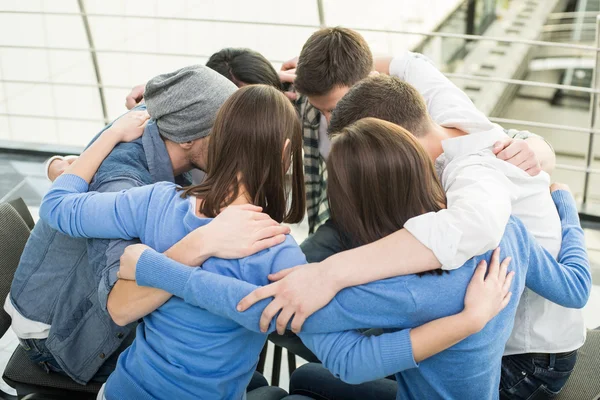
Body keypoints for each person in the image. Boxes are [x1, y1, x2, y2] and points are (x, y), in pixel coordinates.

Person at [37, 85, 509, 399]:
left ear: (216, 138)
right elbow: (353, 361)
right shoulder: (278, 256)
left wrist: (105, 140)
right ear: (287, 154)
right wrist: (471, 319)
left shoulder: (155, 202)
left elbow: (59, 209)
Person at [105, 118, 590, 400]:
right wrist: (563, 202)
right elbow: (574, 287)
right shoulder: (509, 231)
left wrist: (150, 263)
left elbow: (263, 306)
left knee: (300, 385)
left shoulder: (396, 291)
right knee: (306, 378)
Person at [237, 53, 586, 398]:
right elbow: (408, 63)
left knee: (313, 371)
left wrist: (329, 274)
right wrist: (331, 66)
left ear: (392, 145)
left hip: (523, 363)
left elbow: (474, 228)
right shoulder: (446, 116)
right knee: (315, 372)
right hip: (519, 328)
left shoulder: (475, 178)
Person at [5, 66, 289, 386]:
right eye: (225, 136)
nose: (236, 148)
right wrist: (202, 245)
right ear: (189, 138)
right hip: (59, 332)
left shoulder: (162, 121)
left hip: (73, 299)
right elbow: (118, 302)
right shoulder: (124, 182)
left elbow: (179, 95)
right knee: (205, 350)